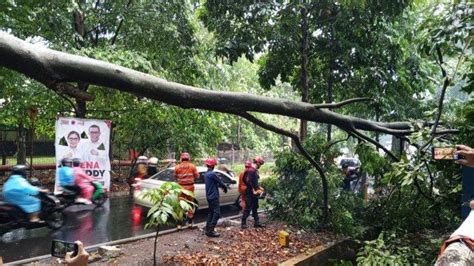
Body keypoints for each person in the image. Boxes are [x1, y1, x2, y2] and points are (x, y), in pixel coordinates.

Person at [174, 152, 199, 229]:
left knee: (180, 206)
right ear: (189, 158)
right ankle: (190, 224)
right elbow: (197, 176)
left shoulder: (177, 167)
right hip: (190, 188)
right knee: (190, 205)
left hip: (181, 188)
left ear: (181, 158)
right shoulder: (192, 166)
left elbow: (175, 177)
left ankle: (179, 225)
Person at [204, 158, 228, 237]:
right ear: (213, 165)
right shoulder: (212, 174)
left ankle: (207, 229)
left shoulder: (206, 174)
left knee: (211, 213)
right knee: (217, 213)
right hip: (214, 196)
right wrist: (225, 188)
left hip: (209, 196)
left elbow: (214, 184)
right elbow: (221, 183)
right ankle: (210, 230)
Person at [241, 156, 265, 229]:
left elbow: (253, 181)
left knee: (255, 207)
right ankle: (243, 223)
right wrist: (254, 189)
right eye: (260, 164)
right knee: (248, 208)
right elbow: (248, 181)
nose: (260, 166)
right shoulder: (251, 170)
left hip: (254, 191)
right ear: (257, 163)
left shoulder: (253, 170)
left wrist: (258, 188)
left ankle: (257, 222)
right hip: (250, 192)